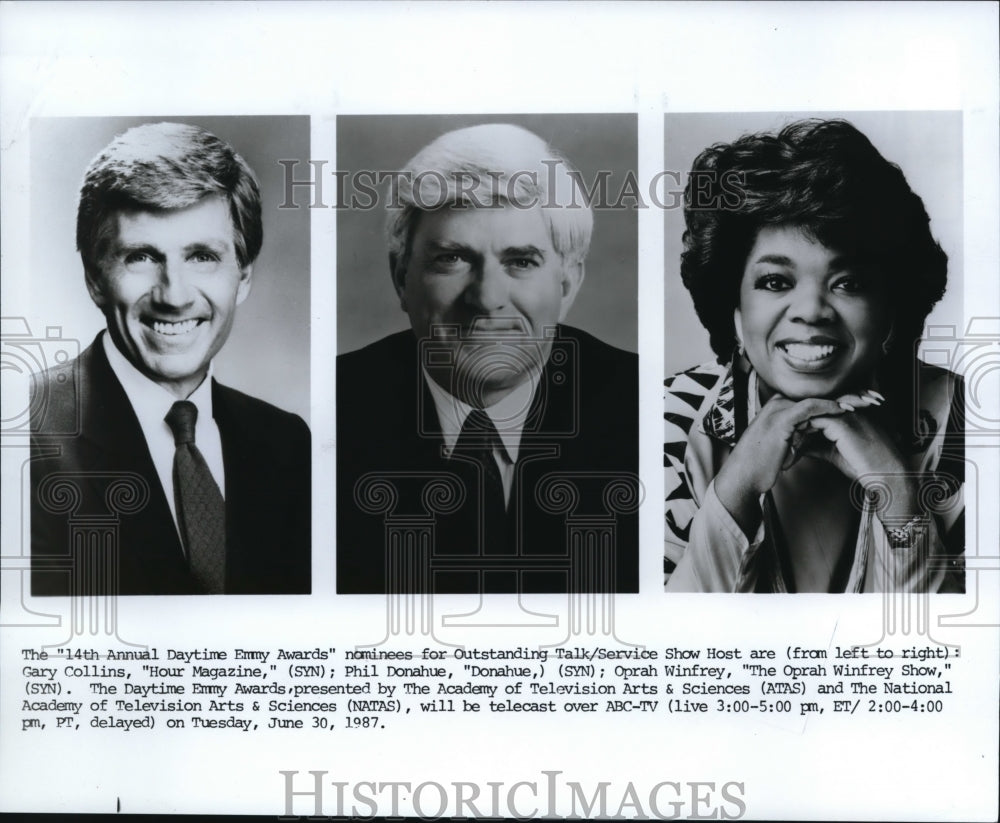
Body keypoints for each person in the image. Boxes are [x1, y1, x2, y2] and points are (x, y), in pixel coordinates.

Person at [664, 119, 964, 593]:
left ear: (890, 307)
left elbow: (957, 654)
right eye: (775, 282)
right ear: (734, 308)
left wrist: (901, 498)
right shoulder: (667, 419)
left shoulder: (966, 420)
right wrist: (735, 490)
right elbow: (668, 652)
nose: (811, 311)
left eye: (848, 282)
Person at [337, 123, 638, 594]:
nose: (486, 298)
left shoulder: (645, 412)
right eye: (453, 259)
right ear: (401, 278)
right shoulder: (327, 414)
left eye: (520, 261)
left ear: (567, 283)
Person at [30, 122, 311, 596]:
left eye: (202, 256)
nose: (174, 296)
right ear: (95, 278)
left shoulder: (287, 444)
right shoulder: (21, 437)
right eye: (141, 257)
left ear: (242, 277)